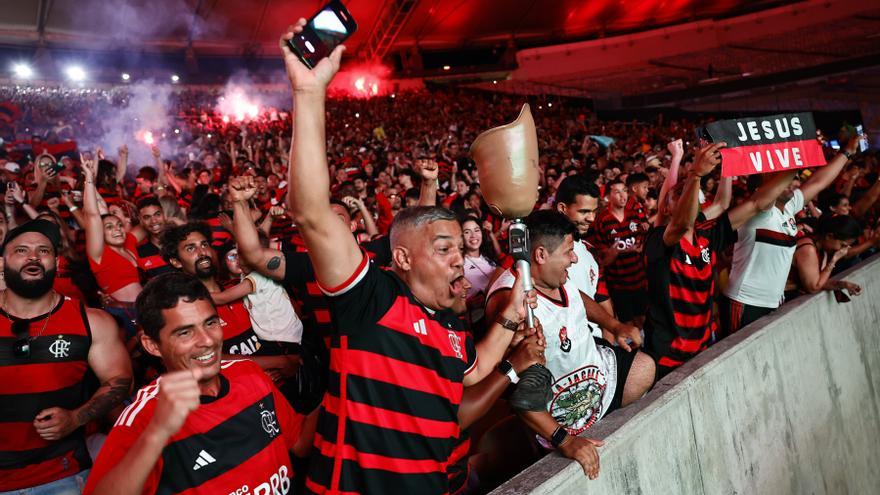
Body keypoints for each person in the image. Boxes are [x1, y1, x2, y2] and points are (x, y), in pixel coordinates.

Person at [279, 21, 537, 494]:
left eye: (460, 247)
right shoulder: (372, 300)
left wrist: (508, 321)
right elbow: (312, 214)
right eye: (444, 248)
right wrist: (309, 92)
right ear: (400, 257)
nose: (459, 259)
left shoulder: (452, 320)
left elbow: (472, 371)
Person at [83, 272, 310, 495]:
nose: (208, 340)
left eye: (211, 323)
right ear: (152, 345)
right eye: (185, 332)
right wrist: (157, 435)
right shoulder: (143, 419)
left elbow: (300, 442)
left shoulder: (249, 373)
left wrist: (338, 376)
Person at [485, 211, 656, 480]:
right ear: (540, 255)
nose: (574, 258)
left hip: (597, 386)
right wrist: (565, 440)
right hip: (563, 417)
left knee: (644, 366)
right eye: (568, 252)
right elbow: (522, 394)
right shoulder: (514, 303)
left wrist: (613, 325)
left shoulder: (553, 276)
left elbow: (577, 296)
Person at [644, 143, 800, 377]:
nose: (688, 196)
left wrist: (795, 165)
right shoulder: (657, 241)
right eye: (679, 194)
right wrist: (694, 174)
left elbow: (755, 203)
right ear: (665, 208)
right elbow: (681, 223)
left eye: (692, 194)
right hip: (668, 354)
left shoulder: (708, 234)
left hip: (705, 344)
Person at [0, 219, 132, 493]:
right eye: (21, 250)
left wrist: (77, 417)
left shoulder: (92, 322)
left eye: (44, 251)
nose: (33, 257)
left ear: (57, 263)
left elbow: (119, 380)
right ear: (2, 262)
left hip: (62, 477)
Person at [721, 138, 860, 334]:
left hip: (772, 302)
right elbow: (767, 190)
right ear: (761, 189)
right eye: (778, 179)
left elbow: (818, 182)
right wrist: (795, 156)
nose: (788, 184)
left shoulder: (788, 208)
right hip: (745, 302)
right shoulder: (758, 213)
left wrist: (846, 152)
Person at [160, 223, 297, 377]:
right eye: (191, 248)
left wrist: (291, 358)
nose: (202, 252)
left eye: (204, 244)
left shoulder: (239, 287)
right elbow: (207, 356)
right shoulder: (186, 308)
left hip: (286, 379)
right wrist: (278, 362)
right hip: (246, 387)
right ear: (176, 262)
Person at [214, 245, 304, 345]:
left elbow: (222, 298)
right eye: (232, 256)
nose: (238, 259)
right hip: (283, 334)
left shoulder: (257, 276)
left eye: (243, 255)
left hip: (281, 337)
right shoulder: (244, 277)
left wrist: (197, 294)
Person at [590, 179, 648, 327]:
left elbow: (642, 244)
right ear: (608, 197)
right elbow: (602, 259)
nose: (623, 196)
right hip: (619, 285)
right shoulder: (602, 221)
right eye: (617, 192)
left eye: (625, 191)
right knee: (627, 324)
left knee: (643, 319)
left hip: (639, 280)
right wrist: (613, 252)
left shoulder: (634, 216)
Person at [788, 214, 863, 298]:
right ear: (829, 236)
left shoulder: (821, 249)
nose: (842, 250)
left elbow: (820, 281)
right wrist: (833, 261)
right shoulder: (808, 249)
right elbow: (814, 287)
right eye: (842, 245)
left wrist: (844, 285)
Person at [134, 196, 175, 282]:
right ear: (140, 220)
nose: (153, 221)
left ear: (164, 214)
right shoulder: (139, 253)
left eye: (157, 214)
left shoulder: (179, 241)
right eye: (147, 217)